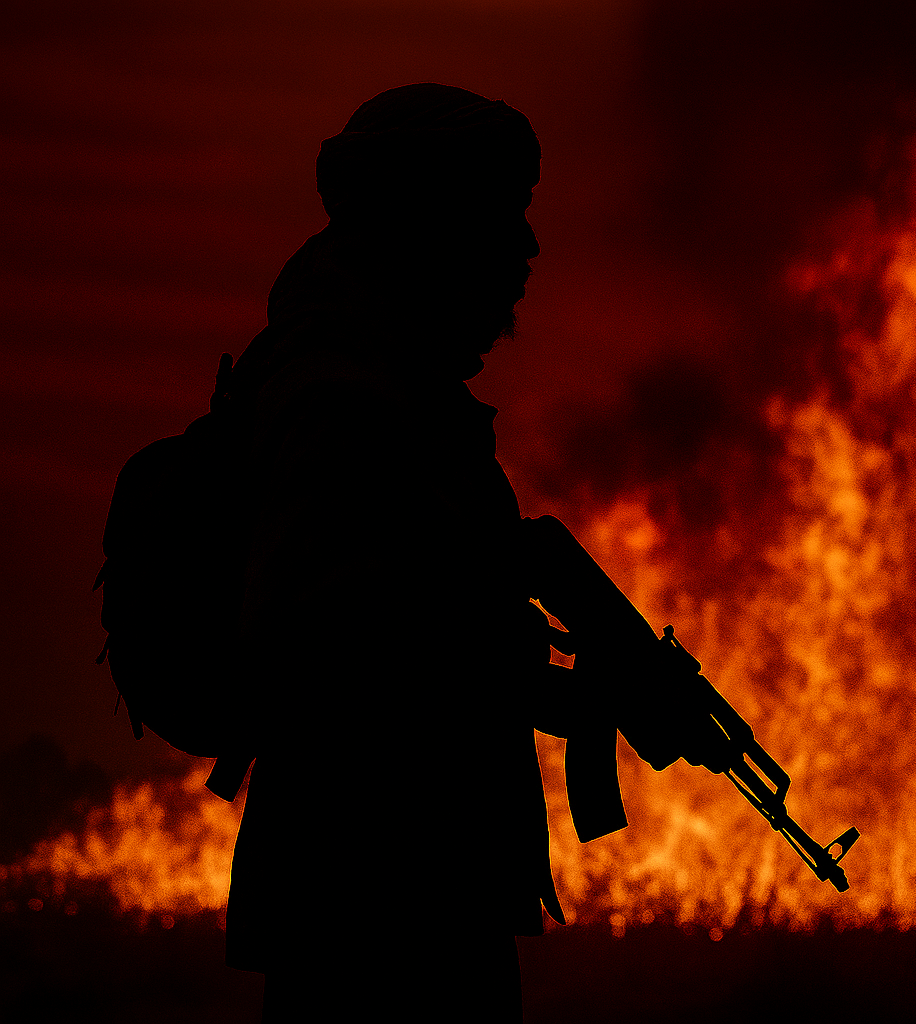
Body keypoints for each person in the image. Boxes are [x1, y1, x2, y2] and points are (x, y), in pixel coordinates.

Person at [222, 83, 590, 1022]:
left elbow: (415, 608)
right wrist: (519, 671)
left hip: (412, 891)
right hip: (373, 904)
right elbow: (335, 641)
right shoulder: (344, 392)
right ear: (432, 226)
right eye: (502, 217)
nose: (527, 249)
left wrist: (544, 684)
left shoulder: (397, 390)